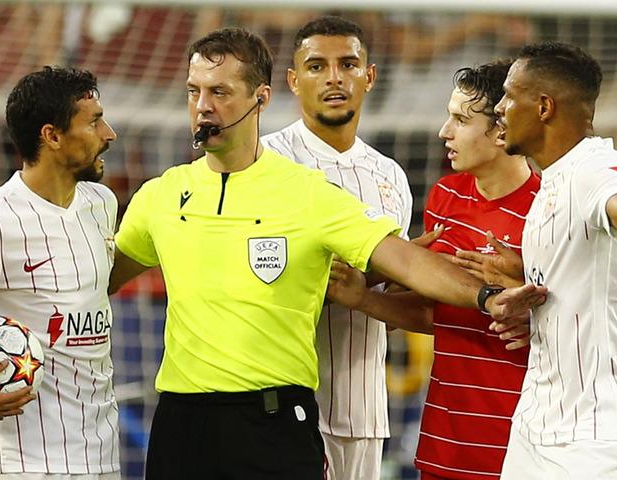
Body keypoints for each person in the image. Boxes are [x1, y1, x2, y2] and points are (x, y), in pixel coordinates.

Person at [108, 27, 545, 480]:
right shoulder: (160, 196)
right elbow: (100, 282)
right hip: (181, 421)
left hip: (276, 419)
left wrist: (487, 296)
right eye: (193, 91)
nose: (203, 105)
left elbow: (406, 260)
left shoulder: (308, 192)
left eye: (220, 92)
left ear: (260, 98)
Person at [328, 59, 541, 479]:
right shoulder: (445, 196)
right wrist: (364, 297)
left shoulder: (547, 208)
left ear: (501, 131)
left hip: (523, 442)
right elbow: (435, 313)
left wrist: (531, 303)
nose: (445, 131)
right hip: (445, 441)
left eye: (461, 120)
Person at [492, 42, 617, 479]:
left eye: (509, 96)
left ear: (543, 107)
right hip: (540, 420)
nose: (499, 108)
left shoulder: (596, 168)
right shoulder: (554, 179)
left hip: (596, 436)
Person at [260, 16, 413, 479]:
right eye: (316, 66)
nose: (334, 78)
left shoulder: (390, 175)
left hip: (365, 410)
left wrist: (398, 280)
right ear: (293, 80)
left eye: (348, 64)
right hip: (284, 406)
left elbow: (393, 305)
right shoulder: (266, 161)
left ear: (370, 76)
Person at [0, 67, 120, 479]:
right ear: (52, 136)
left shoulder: (102, 204)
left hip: (103, 455)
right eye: (94, 122)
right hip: (24, 463)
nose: (109, 134)